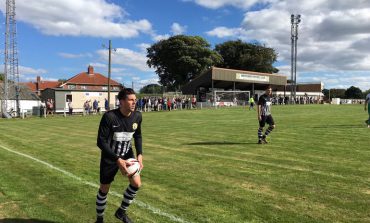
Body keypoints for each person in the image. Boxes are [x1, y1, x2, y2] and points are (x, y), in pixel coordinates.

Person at [95, 88, 143, 223]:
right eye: (131, 99)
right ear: (121, 101)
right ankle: (99, 219)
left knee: (136, 184)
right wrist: (117, 159)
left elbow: (138, 136)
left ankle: (121, 212)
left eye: (135, 99)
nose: (134, 102)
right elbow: (101, 141)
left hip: (127, 154)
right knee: (104, 189)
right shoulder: (109, 117)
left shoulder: (137, 116)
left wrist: (139, 154)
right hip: (110, 157)